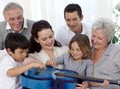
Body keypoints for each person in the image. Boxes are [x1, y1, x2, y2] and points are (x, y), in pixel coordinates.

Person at [89, 17, 120, 89]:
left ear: (108, 39)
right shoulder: (88, 51)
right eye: (93, 36)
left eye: (99, 38)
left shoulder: (117, 51)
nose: (95, 40)